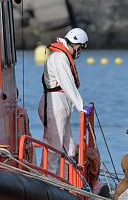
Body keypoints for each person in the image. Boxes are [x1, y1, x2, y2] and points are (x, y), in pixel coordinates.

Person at [39, 28, 92, 159]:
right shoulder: (60, 57)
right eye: (80, 48)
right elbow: (67, 83)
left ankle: (70, 175)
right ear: (75, 44)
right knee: (54, 147)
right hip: (55, 104)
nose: (80, 51)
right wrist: (81, 106)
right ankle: (48, 175)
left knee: (70, 148)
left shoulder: (62, 56)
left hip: (61, 104)